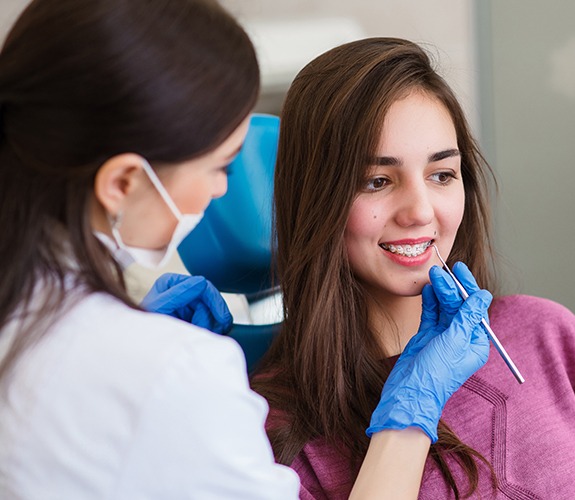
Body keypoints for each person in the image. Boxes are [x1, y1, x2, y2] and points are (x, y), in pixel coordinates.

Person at [0, 0, 302, 497]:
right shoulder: (172, 371)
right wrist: (404, 424)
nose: (223, 192)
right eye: (220, 168)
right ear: (122, 182)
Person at [251, 37, 575, 499]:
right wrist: (406, 418)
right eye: (378, 181)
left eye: (441, 175)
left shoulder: (548, 334)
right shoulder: (267, 430)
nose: (420, 212)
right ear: (314, 200)